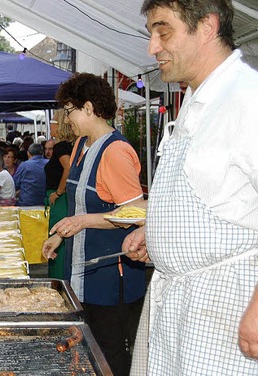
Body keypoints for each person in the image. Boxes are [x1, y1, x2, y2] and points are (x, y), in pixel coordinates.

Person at [123, 1, 258, 374]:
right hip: (183, 306)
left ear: (207, 27)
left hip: (227, 312)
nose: (152, 47)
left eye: (163, 31)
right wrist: (161, 236)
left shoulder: (247, 98)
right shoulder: (198, 98)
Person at [41, 73, 146, 376]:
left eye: (70, 110)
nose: (66, 118)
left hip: (111, 278)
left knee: (109, 353)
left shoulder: (115, 152)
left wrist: (83, 221)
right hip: (82, 272)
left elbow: (136, 213)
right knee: (85, 349)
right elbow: (77, 205)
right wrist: (60, 236)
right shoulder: (79, 147)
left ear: (88, 108)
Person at [44, 110, 76, 279]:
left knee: (58, 236)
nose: (50, 125)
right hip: (62, 197)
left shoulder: (61, 146)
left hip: (60, 198)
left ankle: (59, 279)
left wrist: (58, 192)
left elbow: (68, 168)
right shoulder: (69, 145)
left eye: (53, 122)